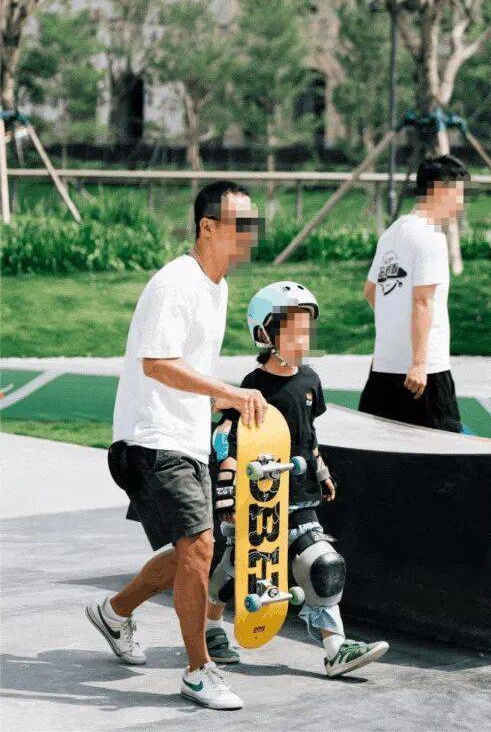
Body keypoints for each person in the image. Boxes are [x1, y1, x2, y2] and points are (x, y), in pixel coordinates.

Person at [85, 181, 268, 712]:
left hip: (185, 436)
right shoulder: (176, 282)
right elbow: (157, 364)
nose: (251, 237)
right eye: (241, 226)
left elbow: (192, 369)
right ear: (208, 227)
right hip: (150, 437)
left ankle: (115, 612)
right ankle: (197, 671)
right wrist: (228, 393)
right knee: (201, 545)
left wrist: (220, 415)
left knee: (199, 549)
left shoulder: (217, 287)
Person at [207, 281, 389, 677]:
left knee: (324, 565)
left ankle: (335, 649)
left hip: (300, 497)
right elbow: (227, 441)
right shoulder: (253, 387)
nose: (303, 340)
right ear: (265, 334)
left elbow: (308, 436)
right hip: (259, 500)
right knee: (237, 572)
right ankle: (210, 625)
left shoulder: (310, 381)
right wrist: (226, 498)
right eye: (293, 332)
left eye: (307, 331)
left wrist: (321, 471)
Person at [359, 155, 468, 430]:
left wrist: (393, 333)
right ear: (439, 189)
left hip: (384, 369)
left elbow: (371, 290)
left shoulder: (391, 234)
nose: (461, 203)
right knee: (446, 451)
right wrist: (419, 362)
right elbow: (422, 300)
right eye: (458, 193)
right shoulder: (431, 237)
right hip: (424, 373)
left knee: (381, 449)